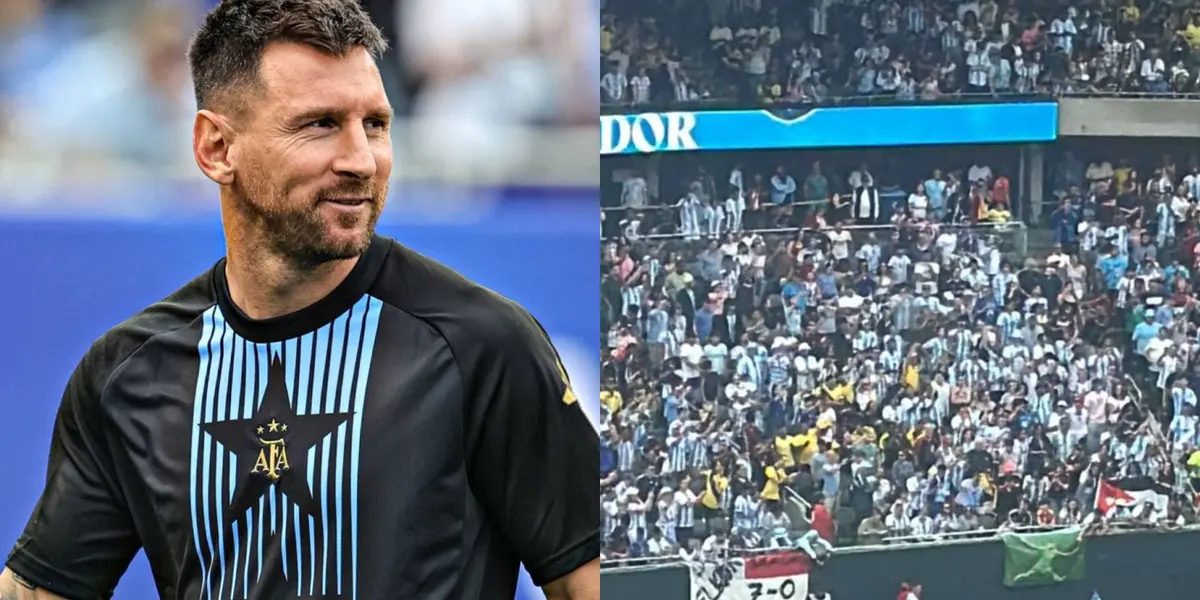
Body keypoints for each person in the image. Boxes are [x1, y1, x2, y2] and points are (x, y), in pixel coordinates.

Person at [0, 2, 599, 600]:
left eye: (376, 124)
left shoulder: (484, 345)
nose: (360, 160)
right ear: (215, 147)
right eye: (318, 124)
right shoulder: (126, 373)